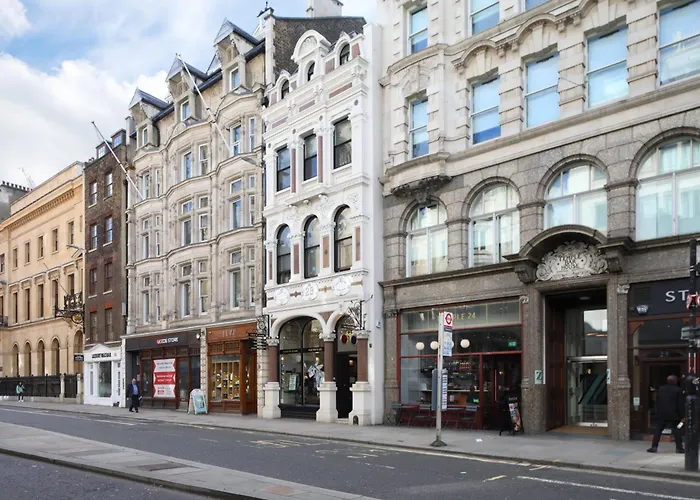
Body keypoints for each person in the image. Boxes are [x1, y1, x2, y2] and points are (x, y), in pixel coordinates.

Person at [648, 375, 684, 454]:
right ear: (675, 381)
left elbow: (657, 402)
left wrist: (657, 412)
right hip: (674, 415)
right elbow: (680, 404)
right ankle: (679, 448)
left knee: (658, 430)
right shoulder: (678, 390)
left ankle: (654, 447)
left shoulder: (661, 389)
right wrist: (682, 416)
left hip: (662, 414)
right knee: (677, 430)